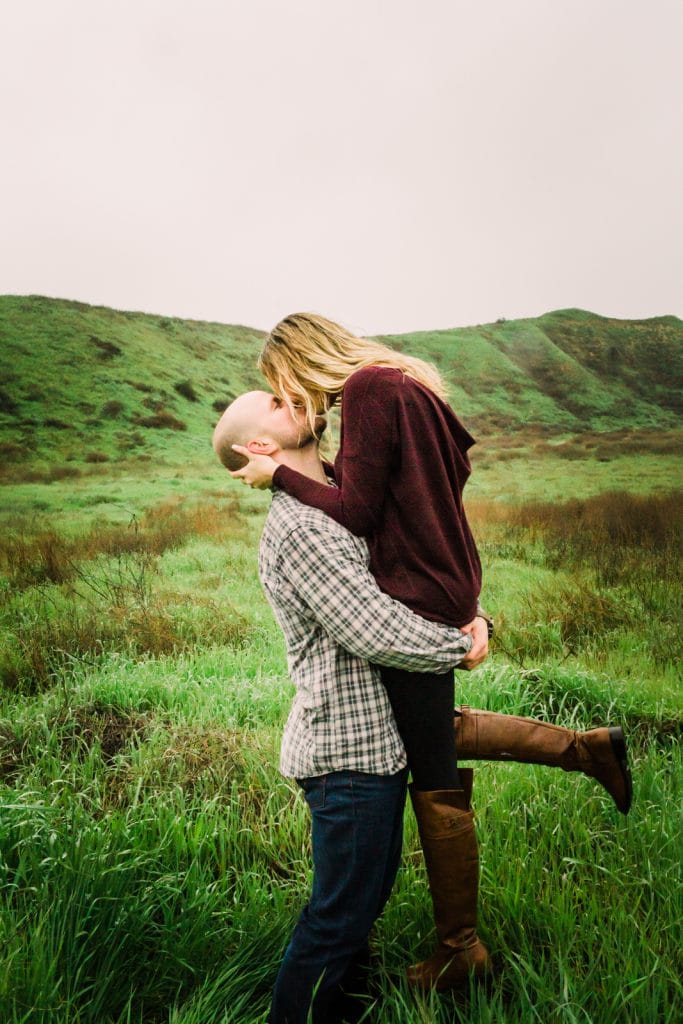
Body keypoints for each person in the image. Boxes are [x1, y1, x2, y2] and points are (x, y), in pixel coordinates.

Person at [227, 313, 633, 992]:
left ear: (304, 360)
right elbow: (403, 501)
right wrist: (464, 612)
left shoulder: (366, 394)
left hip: (424, 595)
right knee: (431, 741)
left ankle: (460, 947)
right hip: (440, 584)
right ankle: (582, 752)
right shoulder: (401, 388)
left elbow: (358, 516)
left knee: (434, 766)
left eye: (281, 383)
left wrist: (278, 477)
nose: (294, 397)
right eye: (276, 397)